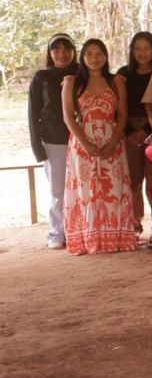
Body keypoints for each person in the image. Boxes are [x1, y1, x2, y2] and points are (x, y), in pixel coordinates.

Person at [60, 39, 136, 255]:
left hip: (112, 140)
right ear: (82, 57)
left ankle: (116, 237)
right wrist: (85, 143)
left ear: (106, 56)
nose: (95, 59)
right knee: (87, 191)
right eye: (89, 54)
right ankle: (87, 238)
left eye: (99, 54)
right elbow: (68, 117)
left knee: (113, 189)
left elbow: (122, 115)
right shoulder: (71, 82)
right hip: (82, 142)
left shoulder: (117, 81)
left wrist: (113, 143)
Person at [28, 33, 77, 249]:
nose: (62, 53)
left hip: (82, 140)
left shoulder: (81, 74)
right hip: (53, 140)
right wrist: (37, 147)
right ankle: (57, 232)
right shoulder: (41, 77)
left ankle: (78, 229)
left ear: (73, 51)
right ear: (50, 53)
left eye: (67, 49)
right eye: (56, 49)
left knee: (81, 188)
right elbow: (33, 113)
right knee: (58, 190)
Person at [116, 32, 152, 246]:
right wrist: (127, 132)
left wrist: (149, 130)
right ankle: (134, 226)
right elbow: (117, 106)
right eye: (137, 48)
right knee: (132, 181)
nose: (142, 53)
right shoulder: (123, 74)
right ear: (132, 51)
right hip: (129, 133)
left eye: (147, 48)